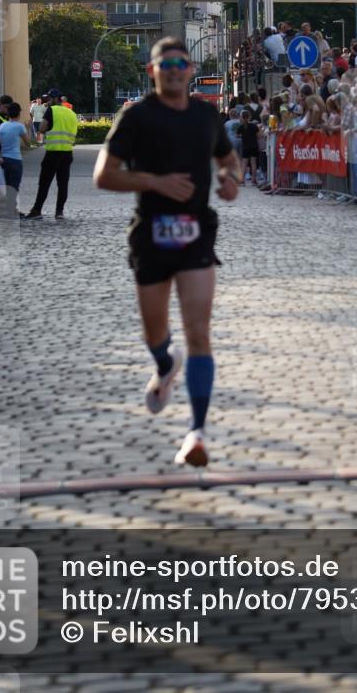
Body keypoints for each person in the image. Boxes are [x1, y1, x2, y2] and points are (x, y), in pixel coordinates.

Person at [93, 37, 242, 468]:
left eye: (182, 63)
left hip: (197, 233)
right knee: (155, 333)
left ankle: (196, 432)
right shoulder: (136, 116)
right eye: (167, 63)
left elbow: (230, 161)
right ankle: (164, 361)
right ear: (152, 71)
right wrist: (155, 183)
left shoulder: (205, 115)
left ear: (191, 69)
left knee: (199, 332)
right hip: (151, 236)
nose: (175, 69)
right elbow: (104, 176)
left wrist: (230, 179)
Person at [23, 89, 78, 220]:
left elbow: (42, 128)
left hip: (53, 152)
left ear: (55, 99)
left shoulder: (52, 110)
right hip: (67, 153)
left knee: (44, 182)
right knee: (63, 183)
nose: (47, 101)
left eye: (49, 99)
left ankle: (37, 210)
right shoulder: (71, 113)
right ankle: (59, 212)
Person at [0, 102, 29, 219]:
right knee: (14, 186)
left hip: (4, 159)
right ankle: (11, 211)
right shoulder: (19, 126)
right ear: (18, 113)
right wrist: (27, 129)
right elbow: (28, 143)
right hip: (15, 159)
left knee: (7, 185)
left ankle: (9, 210)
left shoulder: (2, 126)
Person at [238, 109, 259, 184]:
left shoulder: (241, 127)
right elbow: (258, 135)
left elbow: (237, 135)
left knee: (244, 164)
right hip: (254, 146)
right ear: (249, 117)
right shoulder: (254, 126)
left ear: (242, 118)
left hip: (245, 147)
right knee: (253, 163)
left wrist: (243, 136)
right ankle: (254, 180)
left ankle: (242, 180)